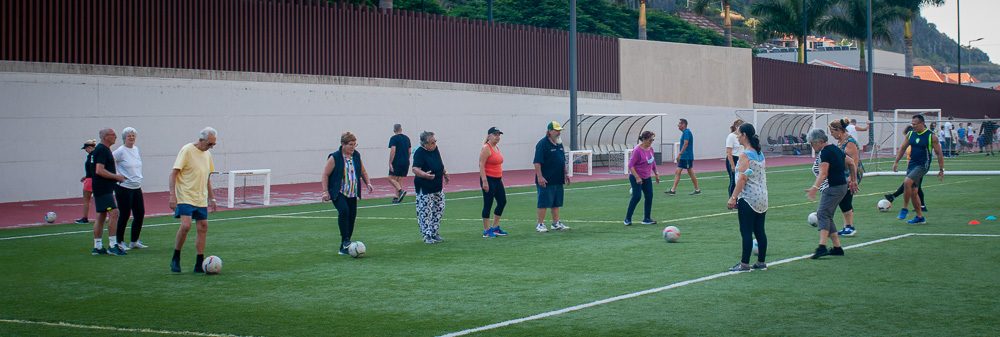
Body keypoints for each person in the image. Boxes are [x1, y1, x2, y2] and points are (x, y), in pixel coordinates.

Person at [169, 127, 219, 273]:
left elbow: (207, 177)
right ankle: (176, 257)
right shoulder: (187, 150)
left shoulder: (208, 155)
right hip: (185, 195)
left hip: (200, 197)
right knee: (185, 226)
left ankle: (199, 262)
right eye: (210, 144)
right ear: (201, 140)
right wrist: (172, 195)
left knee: (203, 226)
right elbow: (173, 174)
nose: (211, 147)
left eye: (214, 144)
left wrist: (212, 198)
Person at [806, 129, 859, 259]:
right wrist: (853, 180)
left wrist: (814, 187)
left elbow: (823, 173)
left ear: (818, 142)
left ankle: (822, 247)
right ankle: (837, 247)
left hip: (832, 187)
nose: (812, 146)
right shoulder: (835, 149)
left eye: (812, 143)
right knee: (827, 215)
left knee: (822, 214)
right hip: (841, 186)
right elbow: (851, 163)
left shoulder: (825, 153)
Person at [322, 132, 374, 254]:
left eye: (354, 144)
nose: (353, 147)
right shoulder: (334, 157)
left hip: (352, 192)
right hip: (339, 192)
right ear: (343, 144)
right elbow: (325, 174)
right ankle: (345, 240)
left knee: (352, 216)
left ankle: (344, 246)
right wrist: (325, 191)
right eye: (350, 144)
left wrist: (368, 183)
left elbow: (363, 171)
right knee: (344, 211)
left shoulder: (356, 155)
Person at [727, 123, 768, 272]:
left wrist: (733, 197)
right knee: (760, 231)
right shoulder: (759, 153)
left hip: (749, 198)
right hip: (762, 197)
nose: (737, 136)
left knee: (746, 231)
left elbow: (742, 179)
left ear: (744, 135)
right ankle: (761, 262)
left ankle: (744, 264)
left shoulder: (745, 155)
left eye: (738, 134)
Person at [891, 115, 945, 225]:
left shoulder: (931, 136)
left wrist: (941, 169)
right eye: (912, 124)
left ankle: (904, 208)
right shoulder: (910, 134)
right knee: (914, 192)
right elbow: (902, 148)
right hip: (911, 165)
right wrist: (896, 162)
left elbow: (939, 153)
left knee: (907, 182)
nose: (913, 126)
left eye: (915, 124)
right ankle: (920, 217)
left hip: (923, 165)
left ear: (922, 123)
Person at [91, 128, 127, 256]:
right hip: (103, 188)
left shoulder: (102, 149)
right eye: (113, 135)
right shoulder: (101, 150)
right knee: (114, 212)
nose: (116, 136)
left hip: (102, 187)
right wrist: (116, 177)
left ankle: (98, 246)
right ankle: (112, 245)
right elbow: (99, 170)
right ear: (105, 137)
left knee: (101, 216)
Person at [113, 127, 147, 250]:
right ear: (124, 138)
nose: (131, 137)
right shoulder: (120, 151)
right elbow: (110, 161)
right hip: (124, 187)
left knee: (140, 213)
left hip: (136, 186)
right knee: (125, 214)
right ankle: (120, 241)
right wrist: (117, 175)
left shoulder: (136, 149)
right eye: (129, 136)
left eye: (133, 135)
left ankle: (134, 241)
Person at [534, 121, 571, 232]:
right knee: (544, 202)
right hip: (546, 179)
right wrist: (540, 177)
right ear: (549, 131)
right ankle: (540, 224)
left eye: (559, 130)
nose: (558, 132)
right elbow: (537, 162)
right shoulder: (542, 144)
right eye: (556, 130)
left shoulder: (559, 143)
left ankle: (556, 223)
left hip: (558, 178)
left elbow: (562, 160)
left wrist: (565, 174)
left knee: (556, 202)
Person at [412, 131, 449, 243]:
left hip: (437, 186)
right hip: (424, 187)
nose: (434, 144)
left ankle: (434, 232)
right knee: (425, 211)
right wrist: (425, 175)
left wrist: (445, 173)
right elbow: (415, 169)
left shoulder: (435, 149)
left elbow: (439, 164)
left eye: (435, 141)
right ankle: (427, 235)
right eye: (431, 143)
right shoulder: (419, 152)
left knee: (439, 208)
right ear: (424, 144)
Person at [829, 119, 864, 237]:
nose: (831, 134)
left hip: (852, 173)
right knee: (843, 199)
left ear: (839, 130)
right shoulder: (841, 141)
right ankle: (847, 226)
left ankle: (850, 227)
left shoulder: (849, 142)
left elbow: (854, 160)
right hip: (844, 173)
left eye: (832, 131)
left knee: (845, 198)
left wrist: (852, 178)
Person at [883, 126, 927, 212]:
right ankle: (922, 206)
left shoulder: (915, 144)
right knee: (916, 187)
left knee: (910, 184)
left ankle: (894, 197)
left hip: (918, 167)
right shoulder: (910, 144)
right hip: (911, 167)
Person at [625, 131, 660, 226]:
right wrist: (637, 177)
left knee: (649, 196)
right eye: (650, 140)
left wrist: (656, 173)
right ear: (644, 139)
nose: (651, 141)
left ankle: (647, 218)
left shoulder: (650, 149)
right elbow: (630, 165)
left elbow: (652, 162)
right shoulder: (637, 150)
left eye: (653, 139)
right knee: (637, 197)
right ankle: (627, 219)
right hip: (636, 177)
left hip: (647, 177)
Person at [479, 127, 508, 238]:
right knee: (488, 203)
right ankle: (486, 230)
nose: (497, 136)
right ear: (489, 136)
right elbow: (481, 164)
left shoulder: (496, 147)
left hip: (497, 179)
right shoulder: (486, 148)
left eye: (499, 135)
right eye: (495, 134)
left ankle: (495, 227)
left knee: (502, 201)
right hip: (488, 179)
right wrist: (484, 181)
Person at [667, 118, 700, 195]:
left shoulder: (687, 132)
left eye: (679, 124)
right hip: (684, 157)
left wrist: (680, 154)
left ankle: (697, 189)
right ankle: (673, 190)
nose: (678, 125)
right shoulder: (685, 132)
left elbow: (686, 143)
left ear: (683, 125)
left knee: (689, 172)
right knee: (678, 171)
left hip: (687, 156)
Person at [387, 124, 411, 203]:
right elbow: (409, 151)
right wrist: (406, 159)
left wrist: (390, 162)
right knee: (399, 179)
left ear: (394, 130)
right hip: (406, 161)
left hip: (397, 161)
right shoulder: (407, 138)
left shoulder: (394, 138)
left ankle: (400, 191)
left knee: (390, 178)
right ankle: (396, 197)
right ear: (401, 129)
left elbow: (393, 150)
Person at [75, 139, 97, 224]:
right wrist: (86, 176)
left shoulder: (91, 156)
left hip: (90, 181)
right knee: (99, 199)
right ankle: (107, 216)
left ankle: (85, 218)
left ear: (90, 147)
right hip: (93, 179)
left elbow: (93, 169)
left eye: (86, 148)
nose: (85, 150)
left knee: (86, 200)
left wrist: (88, 177)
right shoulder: (95, 155)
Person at [725, 119, 745, 197]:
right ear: (736, 127)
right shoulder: (731, 136)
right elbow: (728, 152)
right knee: (733, 180)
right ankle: (732, 198)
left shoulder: (743, 136)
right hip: (733, 158)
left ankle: (740, 198)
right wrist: (732, 165)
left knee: (741, 179)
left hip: (741, 159)